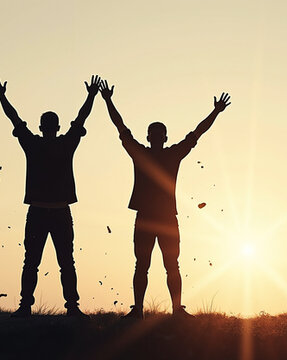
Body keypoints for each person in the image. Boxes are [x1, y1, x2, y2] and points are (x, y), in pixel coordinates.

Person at [98, 78, 231, 319]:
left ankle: (165, 310)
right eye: (155, 134)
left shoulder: (148, 153)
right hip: (154, 218)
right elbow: (195, 133)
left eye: (158, 134)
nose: (157, 137)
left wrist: (215, 112)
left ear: (155, 138)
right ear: (154, 137)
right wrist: (108, 101)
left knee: (163, 265)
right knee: (151, 265)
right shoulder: (167, 154)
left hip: (159, 217)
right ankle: (148, 310)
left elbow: (122, 128)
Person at [0, 75, 101, 318]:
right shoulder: (65, 143)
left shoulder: (32, 144)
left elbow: (15, 118)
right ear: (57, 127)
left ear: (41, 127)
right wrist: (91, 96)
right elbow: (81, 119)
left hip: (40, 212)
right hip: (59, 211)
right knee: (65, 263)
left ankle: (25, 307)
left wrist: (1, 97)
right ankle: (70, 307)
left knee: (32, 262)